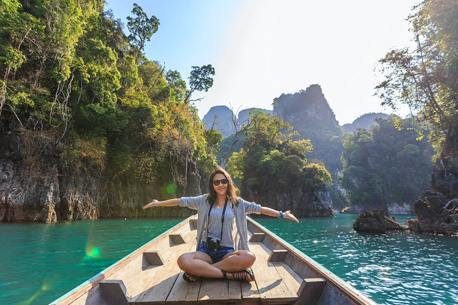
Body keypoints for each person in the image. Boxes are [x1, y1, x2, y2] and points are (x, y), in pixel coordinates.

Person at [142, 167, 299, 283]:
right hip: (206, 251)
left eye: (224, 181)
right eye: (216, 182)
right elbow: (180, 201)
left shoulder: (238, 204)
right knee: (183, 261)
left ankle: (203, 272)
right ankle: (229, 275)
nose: (221, 185)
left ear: (228, 182)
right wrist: (157, 203)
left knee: (248, 257)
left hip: (227, 252)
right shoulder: (203, 200)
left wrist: (282, 214)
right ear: (213, 184)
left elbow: (260, 209)